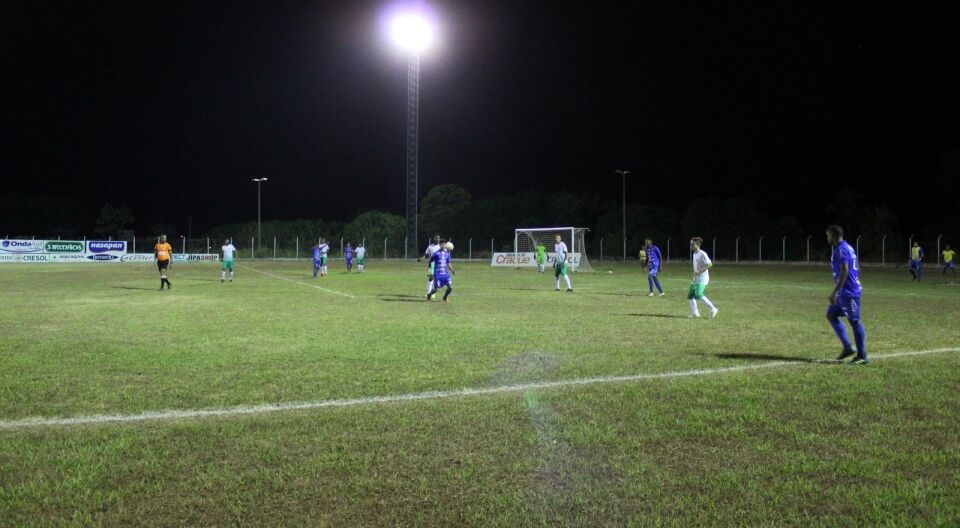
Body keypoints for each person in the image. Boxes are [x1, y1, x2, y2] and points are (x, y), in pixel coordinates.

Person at [826, 225, 868, 364]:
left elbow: (844, 270)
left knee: (854, 322)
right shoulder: (847, 247)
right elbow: (857, 267)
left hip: (849, 293)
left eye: (828, 235)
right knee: (831, 314)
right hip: (845, 292)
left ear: (833, 235)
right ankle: (848, 347)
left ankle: (862, 356)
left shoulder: (841, 249)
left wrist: (835, 292)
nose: (827, 237)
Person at [687, 237, 718, 319]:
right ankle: (695, 313)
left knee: (699, 294)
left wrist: (700, 271)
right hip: (696, 278)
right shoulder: (694, 254)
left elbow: (709, 264)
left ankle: (713, 309)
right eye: (690, 244)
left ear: (698, 245)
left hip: (703, 278)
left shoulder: (702, 254)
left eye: (693, 244)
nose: (691, 245)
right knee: (690, 296)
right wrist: (694, 274)